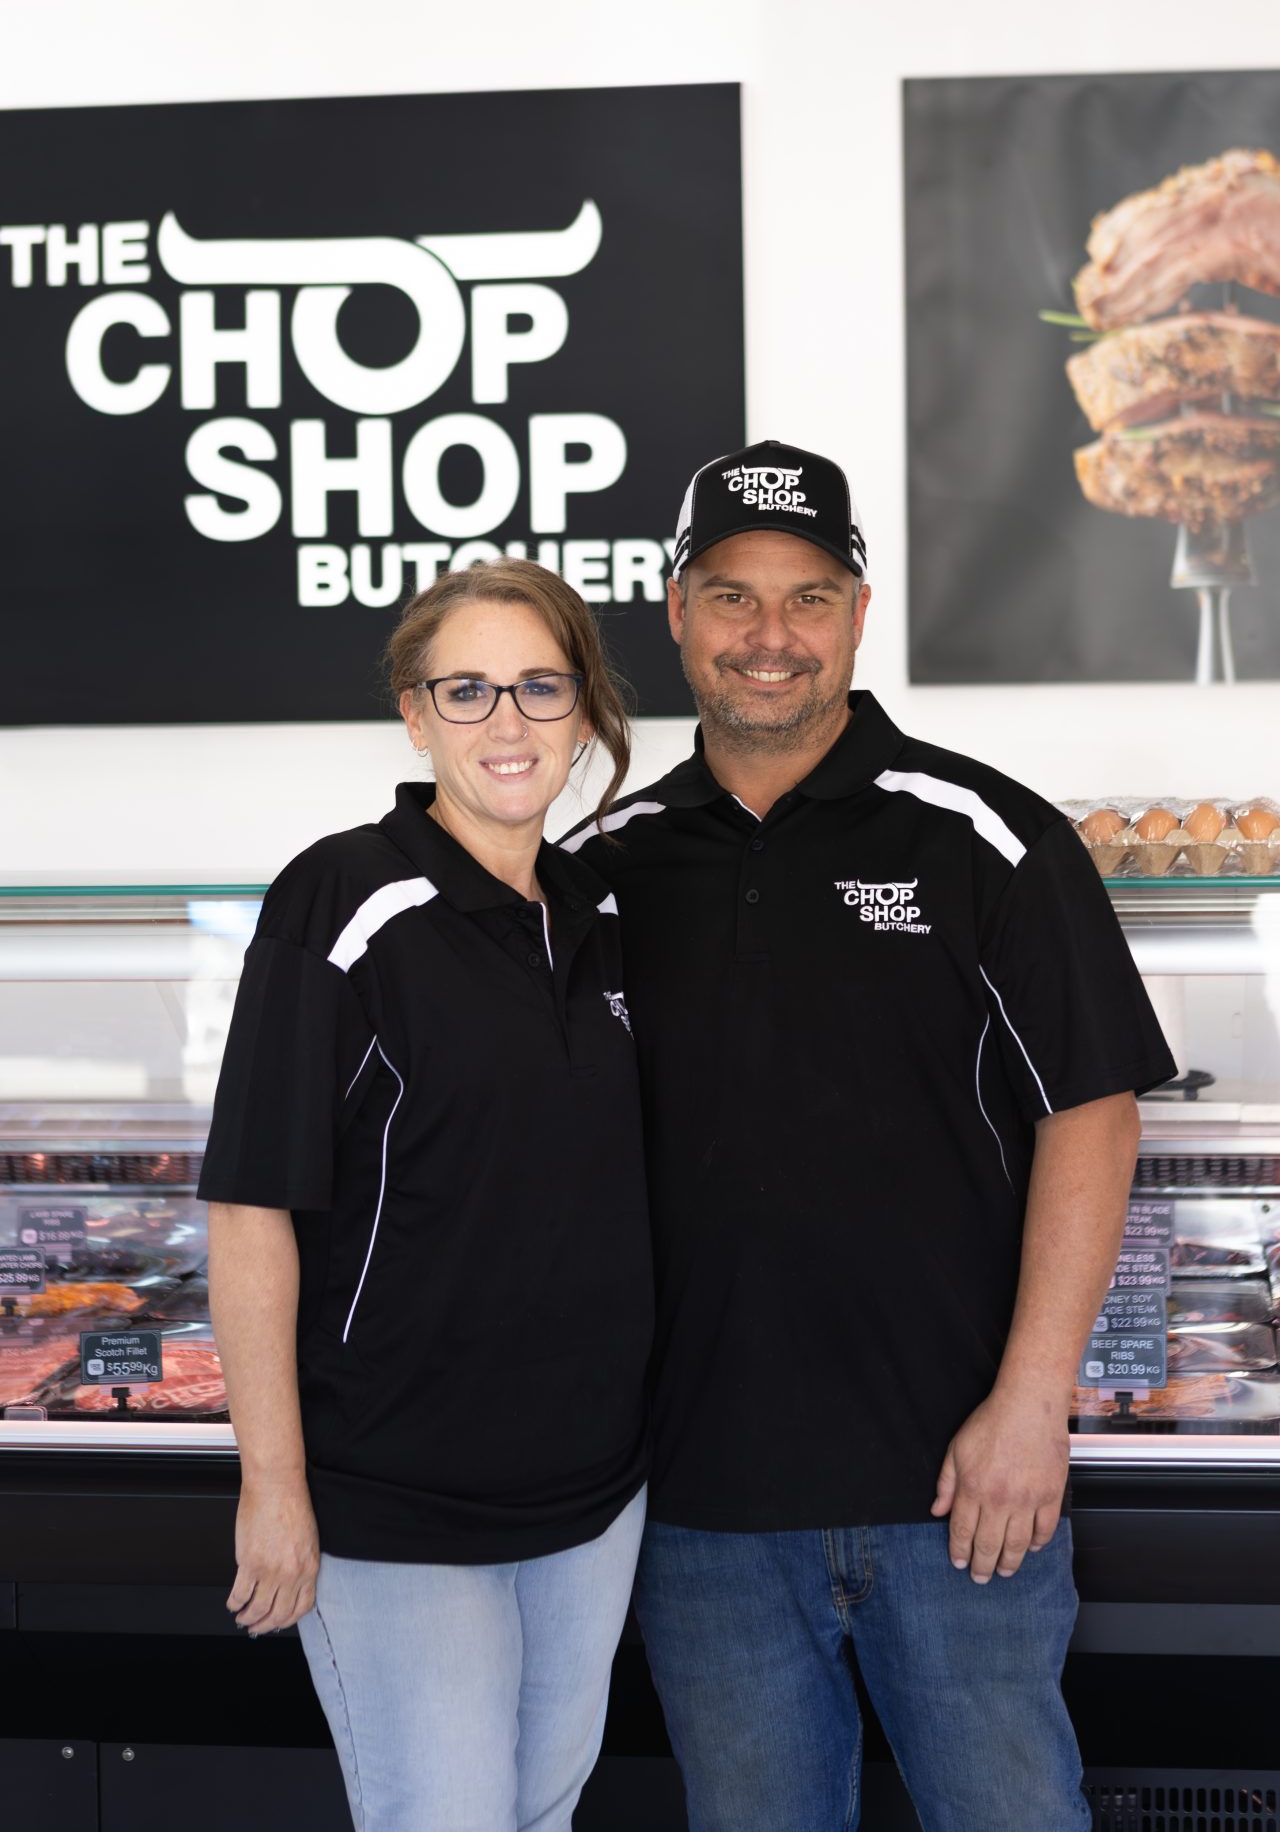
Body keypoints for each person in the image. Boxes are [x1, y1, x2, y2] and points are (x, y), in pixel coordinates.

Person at [561, 440, 1176, 1832]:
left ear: (858, 612)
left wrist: (1030, 1406)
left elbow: (1094, 1115)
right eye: (733, 596)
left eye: (809, 597)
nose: (769, 635)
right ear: (676, 610)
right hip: (703, 1510)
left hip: (961, 1489)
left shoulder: (985, 836)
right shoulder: (605, 866)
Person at [199, 561, 654, 1832]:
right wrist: (273, 1484)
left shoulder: (601, 911)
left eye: (539, 687)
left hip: (592, 1494)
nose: (507, 722)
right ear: (414, 713)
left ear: (582, 711)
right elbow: (250, 1209)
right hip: (395, 1498)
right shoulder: (342, 900)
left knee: (543, 1814)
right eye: (467, 690)